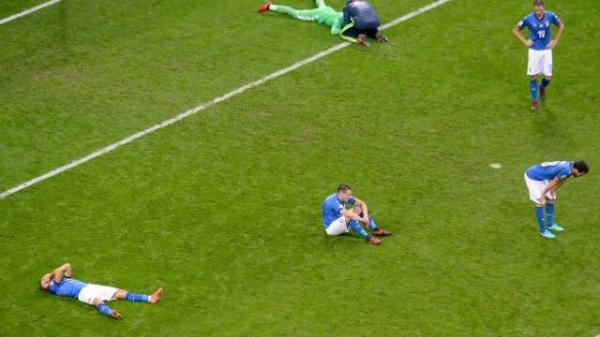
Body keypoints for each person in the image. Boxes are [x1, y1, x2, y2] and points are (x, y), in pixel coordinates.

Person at [39, 262, 162, 319]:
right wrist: (49, 276)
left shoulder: (63, 280)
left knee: (120, 292)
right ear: (46, 286)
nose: (43, 279)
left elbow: (67, 265)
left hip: (90, 286)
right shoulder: (54, 287)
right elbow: (59, 270)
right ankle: (109, 312)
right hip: (82, 293)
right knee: (97, 301)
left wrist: (49, 275)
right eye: (42, 281)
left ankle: (150, 298)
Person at [257, 0, 388, 45]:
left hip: (326, 11)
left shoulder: (344, 15)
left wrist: (371, 34)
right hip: (316, 15)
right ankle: (270, 6)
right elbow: (334, 32)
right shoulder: (339, 19)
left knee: (321, 3)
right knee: (295, 13)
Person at [512, 0, 564, 111]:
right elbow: (515, 30)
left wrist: (555, 41)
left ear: (543, 8)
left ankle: (542, 87)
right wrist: (525, 41)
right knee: (533, 76)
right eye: (536, 10)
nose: (538, 12)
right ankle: (534, 100)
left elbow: (561, 25)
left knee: (548, 77)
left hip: (546, 50)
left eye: (540, 10)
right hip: (534, 51)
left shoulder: (550, 16)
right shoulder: (528, 18)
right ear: (533, 9)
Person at [524, 161, 589, 239]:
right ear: (576, 169)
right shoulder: (566, 169)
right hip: (533, 176)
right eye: (581, 173)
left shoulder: (571, 167)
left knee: (551, 198)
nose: (580, 175)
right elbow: (555, 181)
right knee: (540, 202)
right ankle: (543, 231)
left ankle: (550, 224)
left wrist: (553, 190)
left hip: (541, 176)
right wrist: (543, 194)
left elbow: (562, 180)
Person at [322, 183, 391, 245]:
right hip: (331, 228)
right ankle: (369, 238)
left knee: (358, 208)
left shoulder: (342, 197)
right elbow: (349, 215)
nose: (350, 196)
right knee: (349, 217)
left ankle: (377, 230)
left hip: (340, 222)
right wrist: (363, 220)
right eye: (348, 195)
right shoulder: (332, 201)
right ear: (342, 193)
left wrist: (366, 217)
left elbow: (362, 203)